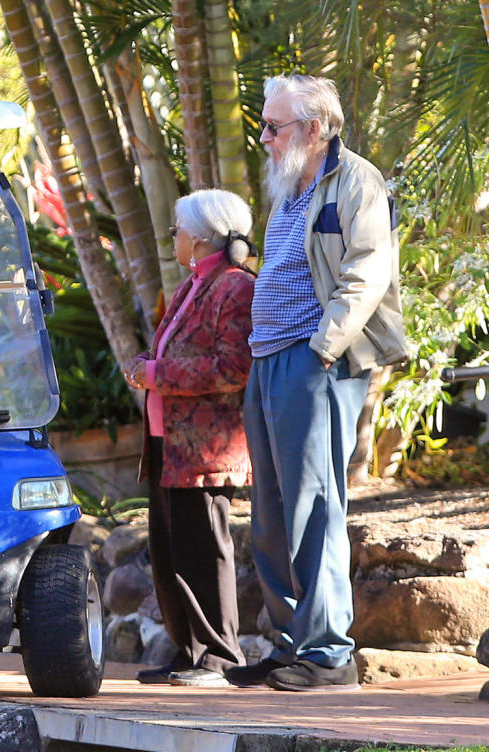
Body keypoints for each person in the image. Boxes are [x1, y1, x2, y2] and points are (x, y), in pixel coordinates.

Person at [224, 74, 407, 692]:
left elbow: (367, 270)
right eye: (265, 125)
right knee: (272, 515)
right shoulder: (289, 185)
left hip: (315, 362)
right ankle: (290, 644)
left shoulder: (356, 180)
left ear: (314, 128)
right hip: (269, 360)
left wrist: (322, 348)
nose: (265, 137)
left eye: (274, 126)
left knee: (315, 508)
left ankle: (329, 654)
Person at [123, 189, 256, 687]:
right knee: (170, 550)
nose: (172, 237)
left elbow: (233, 367)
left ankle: (220, 657)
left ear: (200, 236)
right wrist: (148, 368)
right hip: (168, 442)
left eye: (176, 229)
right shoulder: (195, 284)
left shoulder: (234, 287)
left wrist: (158, 373)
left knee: (204, 548)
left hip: (203, 447)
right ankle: (189, 651)